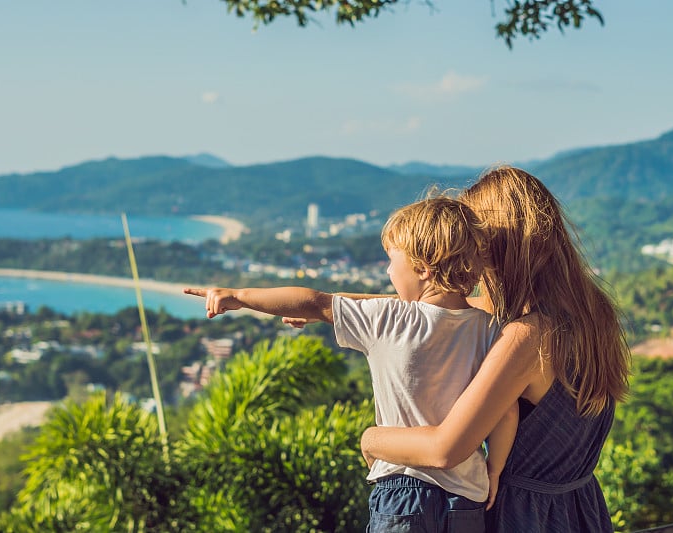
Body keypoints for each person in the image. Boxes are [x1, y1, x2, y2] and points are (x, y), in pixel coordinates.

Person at [184, 196, 518, 533]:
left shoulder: (387, 318)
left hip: (402, 491)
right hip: (466, 499)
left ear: (422, 269)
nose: (388, 271)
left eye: (391, 260)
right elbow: (506, 412)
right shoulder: (493, 330)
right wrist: (493, 470)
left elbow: (314, 302)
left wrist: (239, 296)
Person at [359, 166, 632, 532]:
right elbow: (433, 311)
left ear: (496, 247)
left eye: (473, 241)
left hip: (521, 517)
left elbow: (445, 448)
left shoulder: (525, 338)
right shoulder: (592, 312)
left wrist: (372, 439)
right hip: (579, 511)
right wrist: (330, 309)